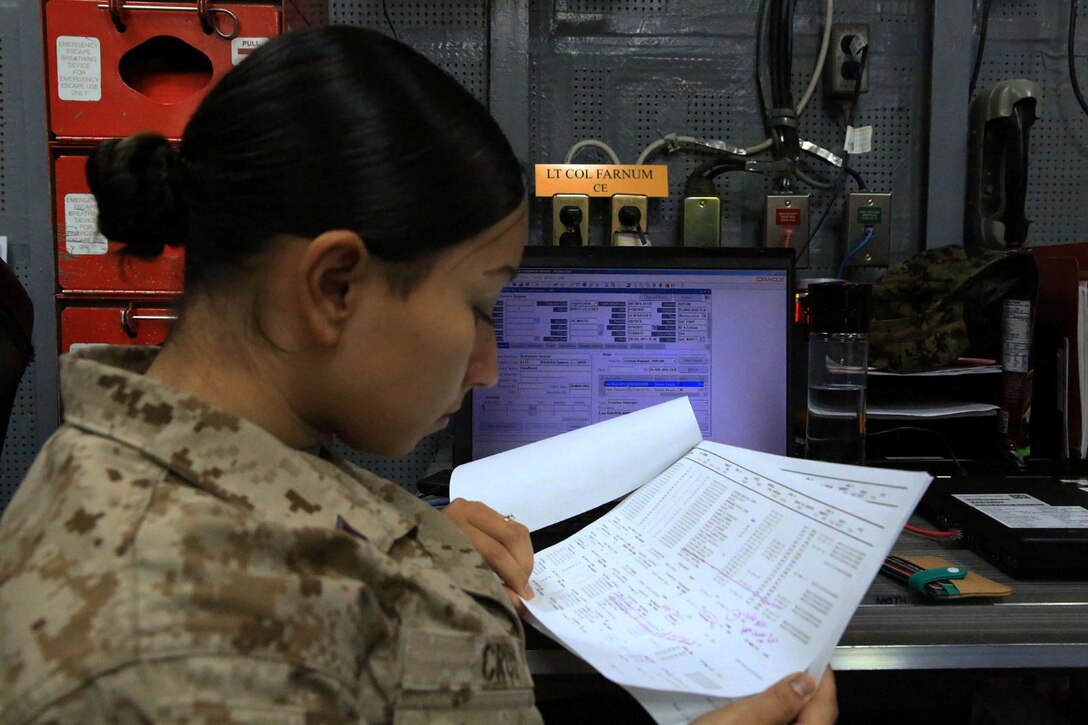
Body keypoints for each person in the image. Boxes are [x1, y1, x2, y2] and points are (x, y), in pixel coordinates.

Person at [0, 25, 837, 724]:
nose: (489, 363)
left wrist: (411, 536)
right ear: (335, 287)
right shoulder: (178, 650)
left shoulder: (172, 479)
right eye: (480, 304)